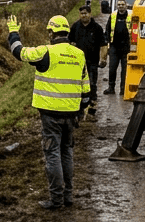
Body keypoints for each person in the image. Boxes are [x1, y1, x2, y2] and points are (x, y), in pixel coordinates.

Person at [8, 13, 89, 210]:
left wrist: (13, 32)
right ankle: (68, 196)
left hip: (51, 114)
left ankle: (56, 200)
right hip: (71, 113)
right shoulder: (79, 54)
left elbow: (19, 52)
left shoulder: (45, 52)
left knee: (52, 153)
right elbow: (85, 85)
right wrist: (84, 108)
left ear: (52, 32)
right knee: (67, 152)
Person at [68, 3, 107, 113]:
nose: (84, 15)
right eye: (81, 13)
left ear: (90, 14)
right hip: (77, 63)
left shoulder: (97, 28)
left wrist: (103, 59)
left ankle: (92, 106)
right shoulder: (75, 27)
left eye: (85, 13)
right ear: (79, 14)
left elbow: (103, 44)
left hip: (92, 61)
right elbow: (69, 42)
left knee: (92, 84)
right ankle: (79, 107)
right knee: (78, 84)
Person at [104, 0, 131, 96]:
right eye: (119, 5)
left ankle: (123, 89)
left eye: (122, 4)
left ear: (126, 5)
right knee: (112, 68)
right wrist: (107, 42)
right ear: (117, 6)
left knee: (125, 70)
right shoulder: (113, 15)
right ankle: (111, 87)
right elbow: (107, 29)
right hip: (114, 46)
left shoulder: (130, 16)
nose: (120, 6)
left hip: (126, 47)